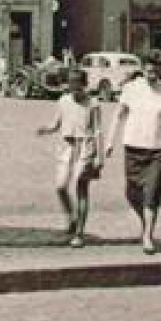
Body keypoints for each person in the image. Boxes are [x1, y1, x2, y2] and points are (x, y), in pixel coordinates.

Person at [104, 49, 161, 254]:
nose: (152, 73)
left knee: (151, 194)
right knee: (131, 193)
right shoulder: (131, 89)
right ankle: (145, 222)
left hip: (158, 149)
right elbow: (119, 115)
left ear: (160, 70)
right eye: (148, 69)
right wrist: (110, 141)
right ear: (142, 69)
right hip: (133, 146)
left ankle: (148, 236)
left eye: (156, 69)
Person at [38, 69, 102, 247]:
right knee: (60, 186)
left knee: (81, 187)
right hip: (66, 147)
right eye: (71, 83)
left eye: (77, 84)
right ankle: (71, 217)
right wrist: (46, 129)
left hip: (86, 148)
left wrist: (100, 157)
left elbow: (98, 131)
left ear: (84, 85)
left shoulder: (93, 103)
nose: (74, 87)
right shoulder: (63, 101)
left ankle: (79, 233)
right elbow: (56, 123)